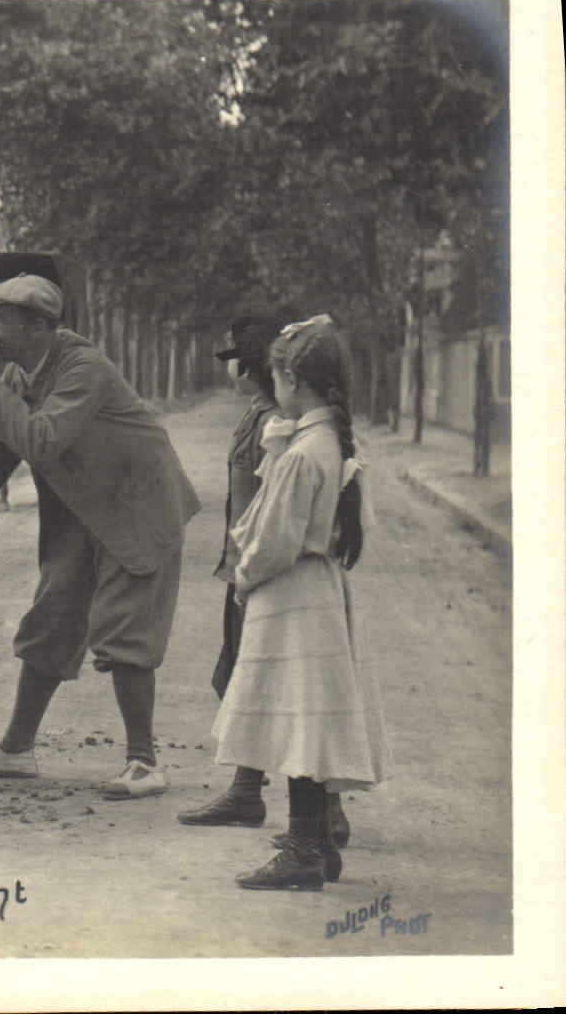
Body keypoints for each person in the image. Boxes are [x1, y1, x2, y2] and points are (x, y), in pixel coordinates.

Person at [0, 274, 200, 799]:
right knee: (52, 619)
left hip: (137, 511)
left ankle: (144, 763)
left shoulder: (81, 366)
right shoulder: (20, 374)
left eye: (0, 319)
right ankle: (16, 751)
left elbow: (41, 441)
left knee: (123, 629)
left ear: (39, 326)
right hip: (84, 515)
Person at [212, 314, 391, 890]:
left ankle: (303, 851)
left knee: (296, 722)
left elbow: (272, 538)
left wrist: (244, 576)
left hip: (290, 597)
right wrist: (278, 437)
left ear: (290, 379)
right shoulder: (322, 441)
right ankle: (312, 845)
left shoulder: (303, 455)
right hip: (314, 593)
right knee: (304, 720)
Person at [177, 305, 300, 828]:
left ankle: (322, 811)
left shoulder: (278, 421)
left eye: (238, 361)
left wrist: (252, 570)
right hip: (242, 569)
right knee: (237, 679)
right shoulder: (256, 413)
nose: (234, 372)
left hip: (264, 571)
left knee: (278, 687)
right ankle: (247, 790)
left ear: (252, 368)